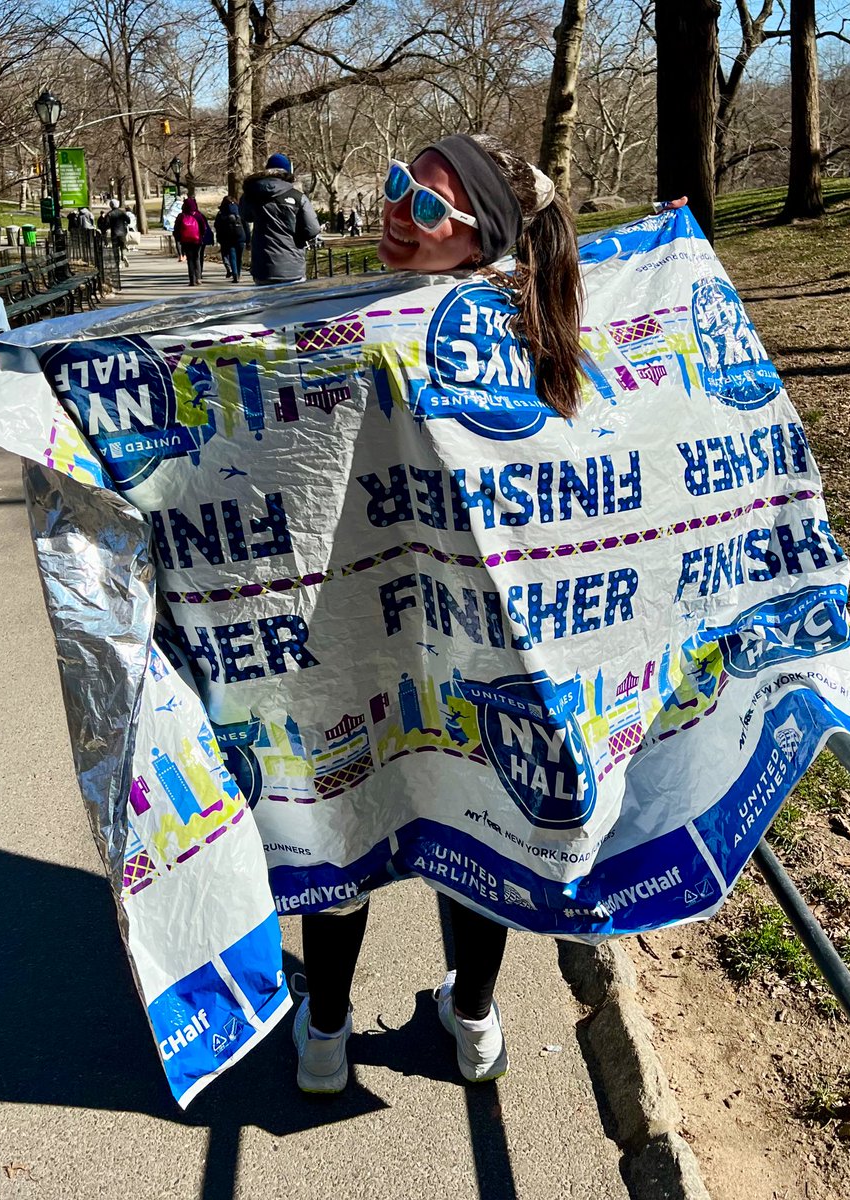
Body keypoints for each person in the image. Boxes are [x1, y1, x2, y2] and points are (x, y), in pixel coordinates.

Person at [292, 133, 585, 1095]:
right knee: (476, 821)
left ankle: (328, 1035)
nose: (395, 210)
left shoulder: (372, 327)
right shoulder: (527, 339)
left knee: (350, 816)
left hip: (366, 639)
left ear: (481, 242)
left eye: (427, 209)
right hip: (469, 644)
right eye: (395, 187)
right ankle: (470, 1021)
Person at [239, 152, 320, 286]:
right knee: (294, 306)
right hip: (292, 266)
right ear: (288, 172)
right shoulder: (298, 197)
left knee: (267, 305)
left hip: (262, 266)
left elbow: (246, 216)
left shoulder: (251, 194)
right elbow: (312, 229)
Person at [174, 196, 212, 286]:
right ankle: (198, 278)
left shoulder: (181, 216)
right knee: (197, 258)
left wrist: (178, 238)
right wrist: (201, 235)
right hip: (197, 240)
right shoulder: (198, 215)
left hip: (186, 240)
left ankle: (192, 279)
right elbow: (204, 227)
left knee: (190, 260)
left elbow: (176, 229)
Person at [214, 195, 246, 283]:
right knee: (239, 256)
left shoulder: (221, 213)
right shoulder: (239, 211)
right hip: (240, 235)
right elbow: (245, 225)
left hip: (228, 237)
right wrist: (248, 239)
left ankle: (235, 274)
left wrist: (219, 237)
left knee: (232, 256)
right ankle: (239, 273)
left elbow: (217, 226)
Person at [98, 199, 131, 266]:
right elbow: (128, 220)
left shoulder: (109, 214)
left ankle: (118, 262)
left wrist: (104, 230)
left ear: (111, 205)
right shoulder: (122, 213)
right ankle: (123, 255)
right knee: (123, 246)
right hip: (122, 233)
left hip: (114, 233)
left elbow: (106, 224)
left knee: (115, 248)